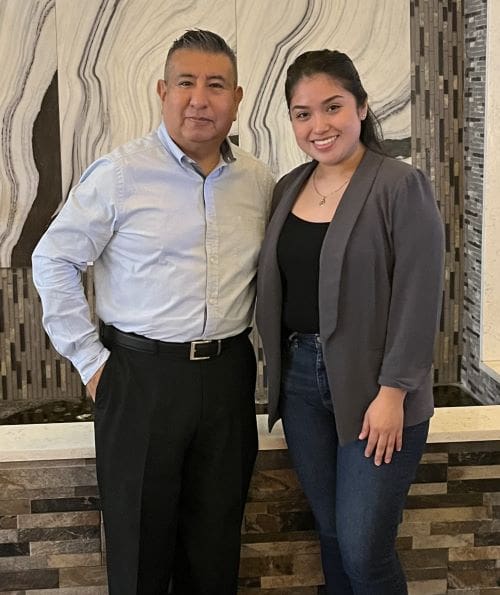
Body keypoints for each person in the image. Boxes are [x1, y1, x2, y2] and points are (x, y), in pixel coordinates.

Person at [32, 29, 274, 595]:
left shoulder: (259, 182)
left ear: (237, 98)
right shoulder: (120, 174)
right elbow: (54, 259)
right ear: (162, 91)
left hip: (227, 377)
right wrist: (91, 361)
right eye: (186, 83)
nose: (200, 98)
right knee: (139, 552)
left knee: (215, 552)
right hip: (140, 379)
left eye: (216, 85)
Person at [256, 50, 444, 595]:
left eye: (333, 106)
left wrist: (394, 393)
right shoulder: (287, 187)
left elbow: (420, 293)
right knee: (334, 538)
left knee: (364, 549)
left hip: (375, 390)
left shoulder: (398, 185)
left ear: (361, 107)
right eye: (303, 113)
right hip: (300, 386)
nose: (319, 125)